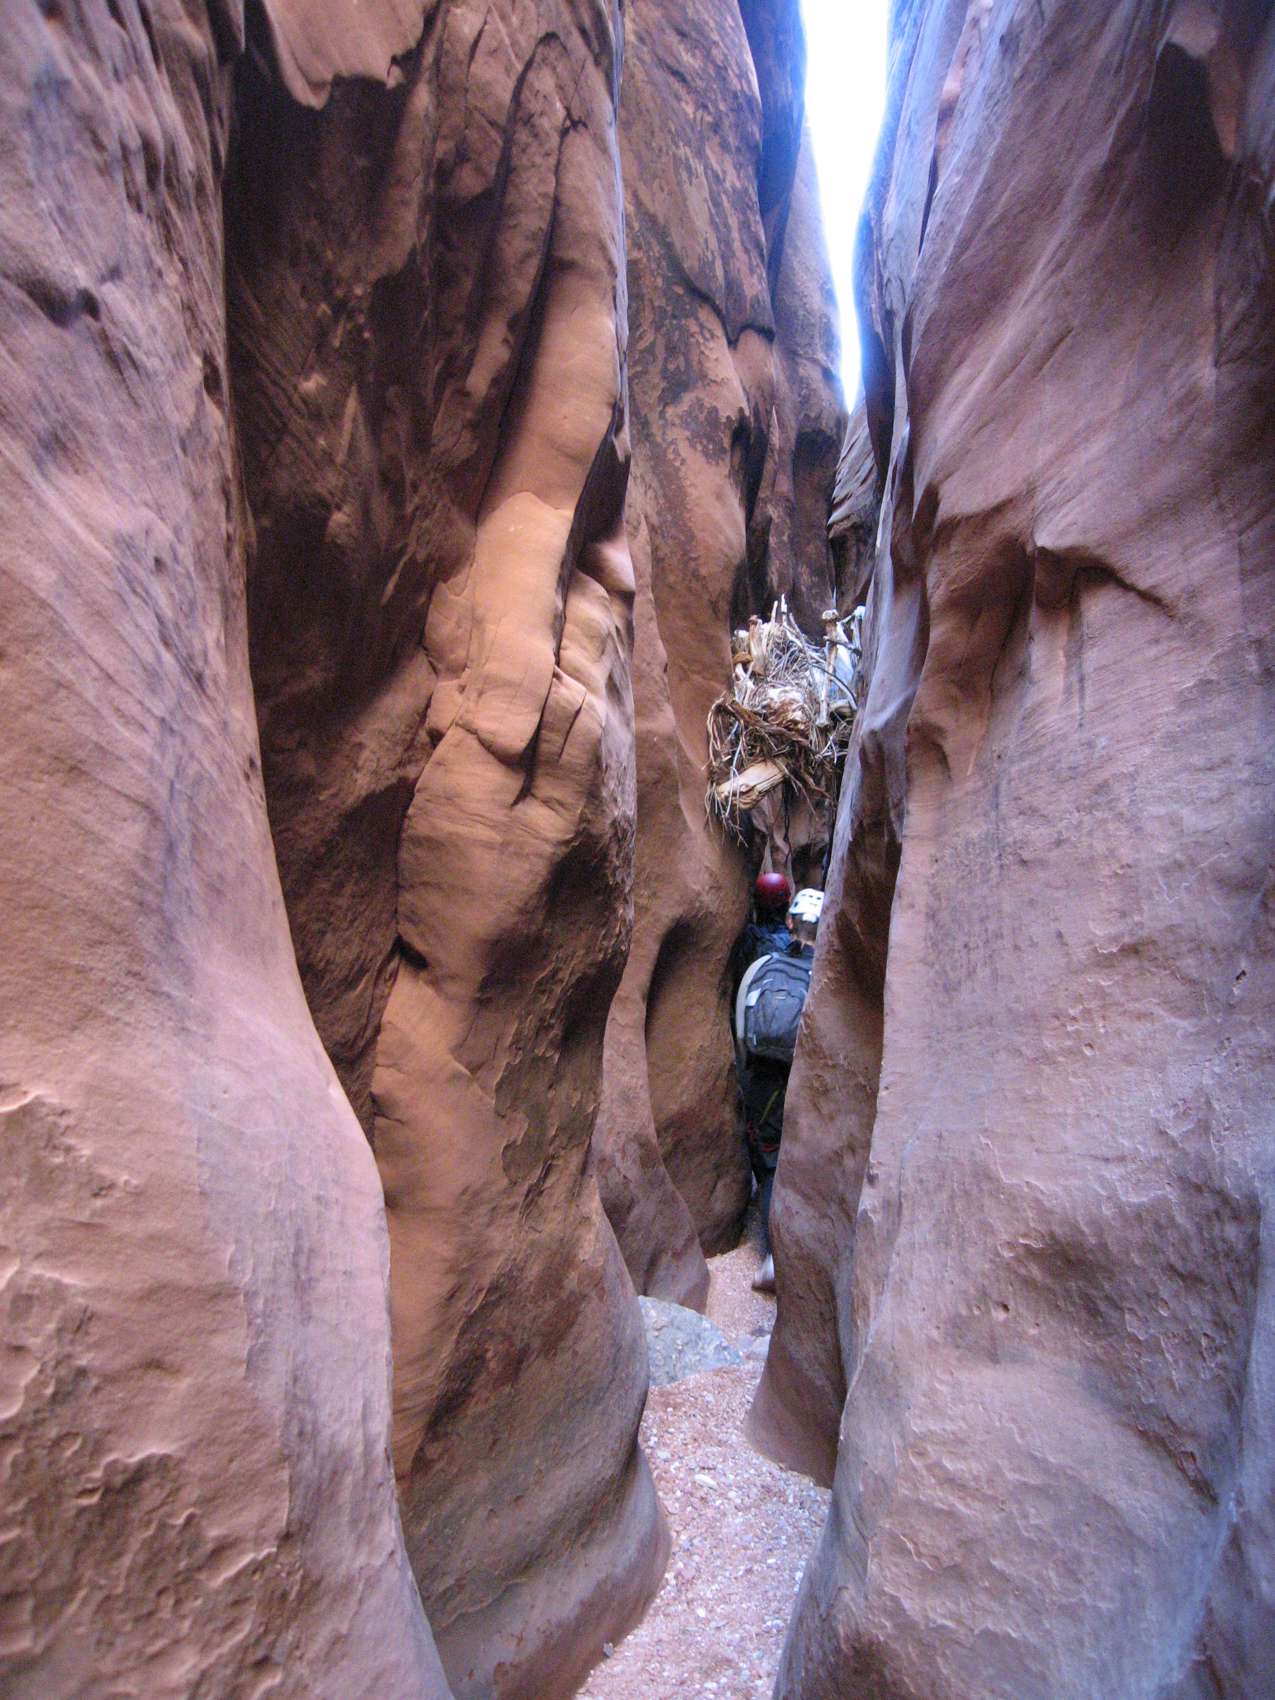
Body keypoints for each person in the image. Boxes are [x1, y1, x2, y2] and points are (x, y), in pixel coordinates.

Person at [734, 887, 824, 1291]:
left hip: (765, 1080)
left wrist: (747, 1076)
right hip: (808, 1081)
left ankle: (772, 1256)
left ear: (790, 922)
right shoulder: (829, 977)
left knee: (771, 1165)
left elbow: (742, 1023)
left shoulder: (764, 965)